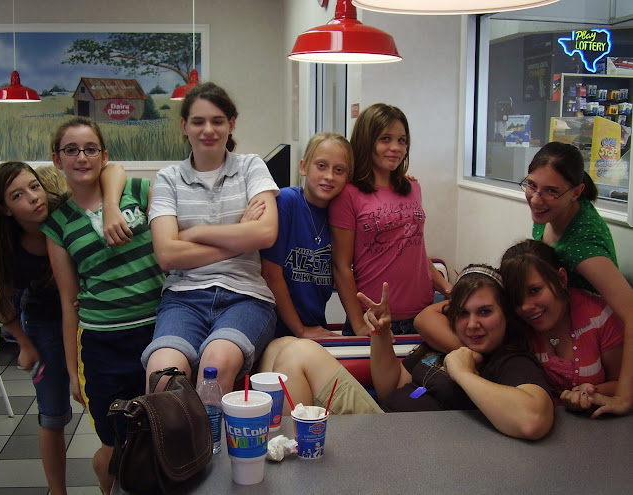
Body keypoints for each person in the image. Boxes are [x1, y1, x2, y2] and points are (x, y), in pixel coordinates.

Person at [260, 266, 554, 440]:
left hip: (407, 449)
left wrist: (463, 372)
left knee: (297, 352)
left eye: (485, 312)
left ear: (505, 314)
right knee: (279, 346)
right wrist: (381, 334)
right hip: (383, 424)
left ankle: (289, 459)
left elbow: (532, 419)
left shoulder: (509, 360)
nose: (473, 324)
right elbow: (392, 388)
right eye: (463, 314)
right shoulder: (446, 345)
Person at [0, 160, 127, 495]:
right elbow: (1, 301)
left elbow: (113, 170)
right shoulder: (11, 248)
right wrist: (22, 343)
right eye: (18, 195)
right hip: (42, 325)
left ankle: (115, 474)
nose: (33, 198)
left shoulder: (63, 213)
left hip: (85, 319)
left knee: (100, 404)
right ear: (5, 209)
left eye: (34, 187)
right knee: (52, 414)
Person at [41, 117, 164, 495]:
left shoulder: (140, 191)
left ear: (104, 155)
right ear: (57, 159)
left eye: (90, 149)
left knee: (164, 433)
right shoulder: (57, 225)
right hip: (102, 344)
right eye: (71, 150)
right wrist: (72, 371)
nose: (82, 157)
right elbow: (68, 301)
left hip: (159, 330)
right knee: (116, 443)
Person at [142, 82, 279, 397]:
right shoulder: (168, 179)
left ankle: (214, 446)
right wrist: (239, 234)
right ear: (184, 126)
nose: (208, 130)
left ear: (231, 124)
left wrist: (194, 233)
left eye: (218, 121)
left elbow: (266, 233)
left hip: (245, 297)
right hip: (183, 298)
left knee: (214, 367)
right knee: (161, 375)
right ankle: (171, 447)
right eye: (198, 121)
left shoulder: (250, 167)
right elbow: (167, 254)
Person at [521, 142, 633, 416]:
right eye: (532, 185)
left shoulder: (582, 250)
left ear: (577, 192)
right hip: (557, 325)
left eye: (551, 191)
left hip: (595, 341)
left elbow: (631, 313)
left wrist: (623, 398)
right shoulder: (549, 212)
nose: (536, 199)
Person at [328, 103, 451, 336]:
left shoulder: (412, 187)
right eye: (386, 139)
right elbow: (341, 267)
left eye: (402, 140)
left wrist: (446, 287)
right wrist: (359, 325)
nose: (396, 148)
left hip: (423, 316)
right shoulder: (348, 193)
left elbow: (413, 248)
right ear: (367, 141)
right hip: (375, 320)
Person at [499, 239, 623, 414]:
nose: (526, 307)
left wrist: (589, 394)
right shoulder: (514, 322)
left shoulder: (600, 317)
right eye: (517, 298)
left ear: (561, 279)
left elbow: (622, 384)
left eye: (534, 291)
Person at [261, 132, 353, 339]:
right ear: (303, 167)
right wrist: (300, 330)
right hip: (277, 330)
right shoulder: (286, 202)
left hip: (315, 328)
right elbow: (270, 274)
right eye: (321, 166)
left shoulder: (343, 216)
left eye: (339, 170)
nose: (329, 176)